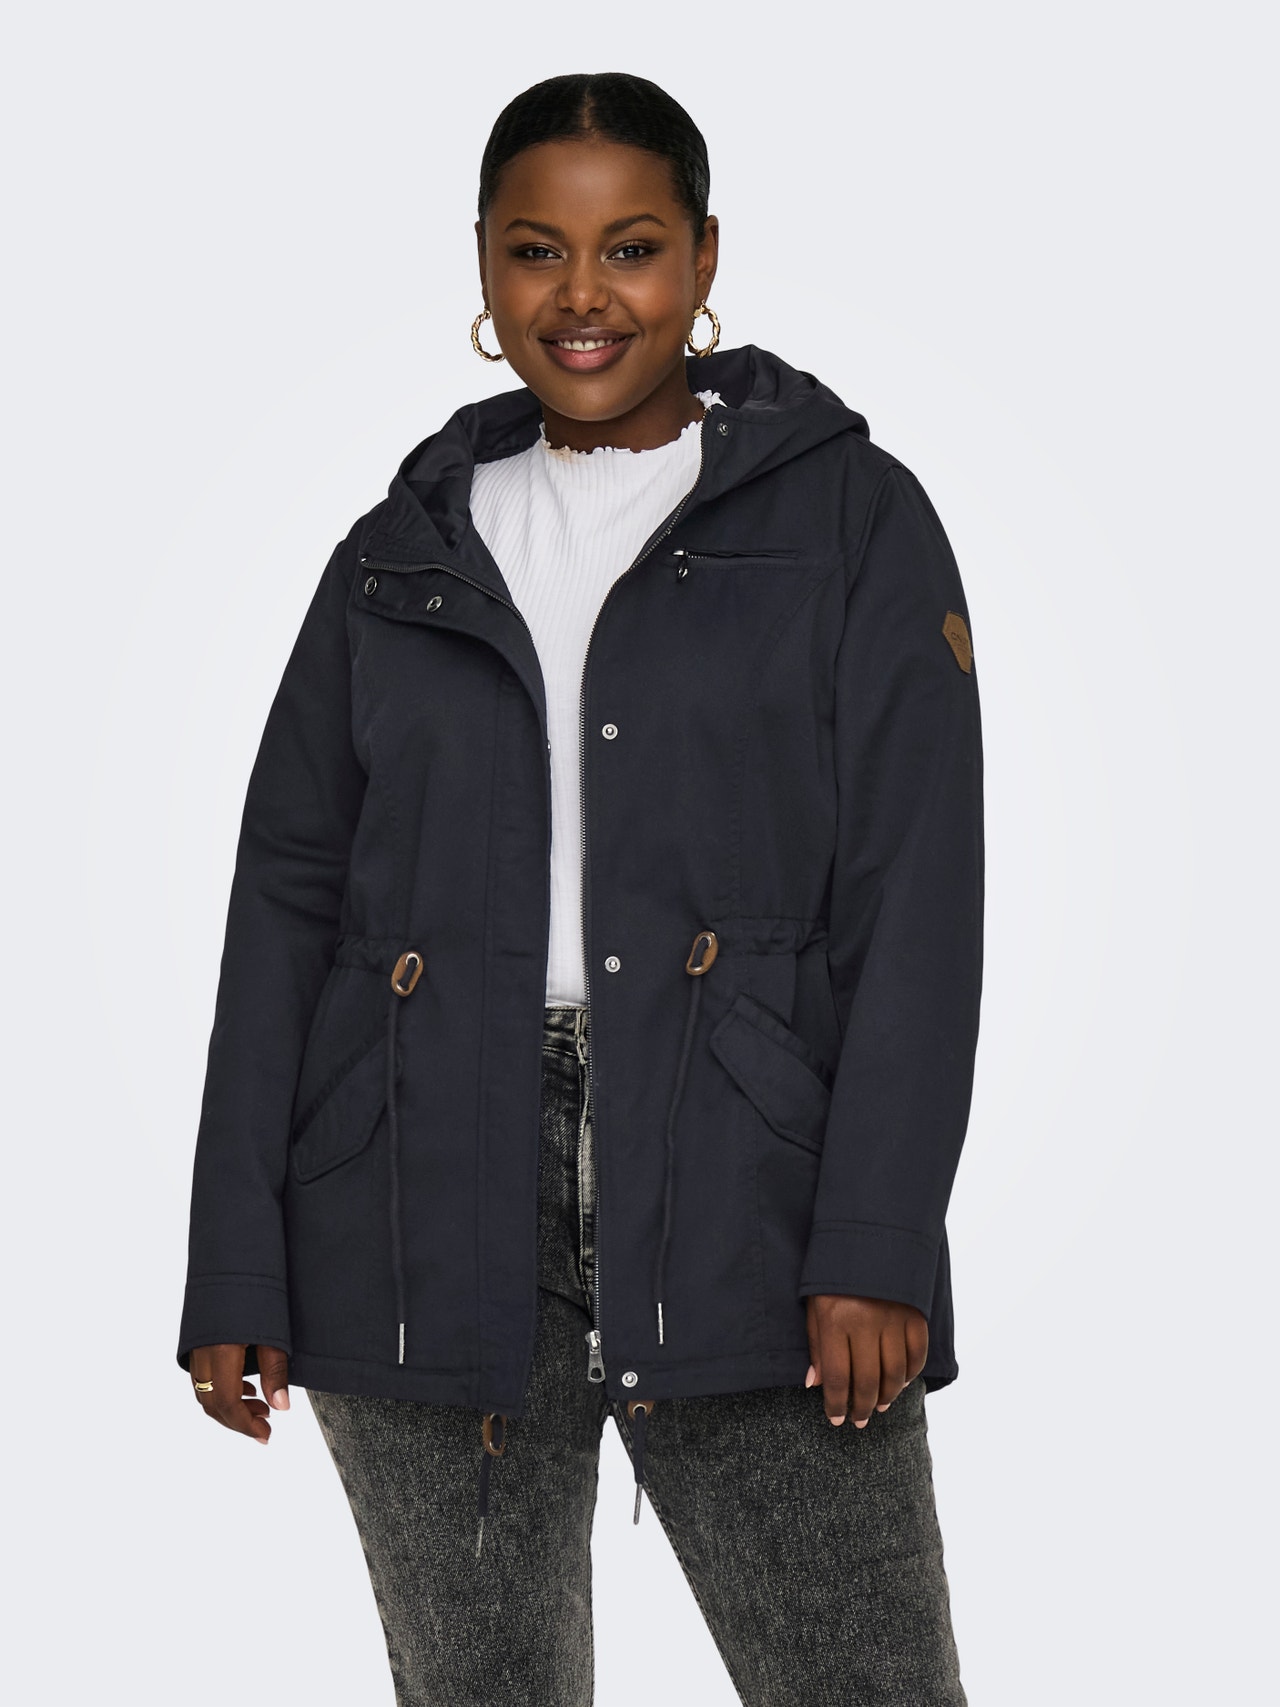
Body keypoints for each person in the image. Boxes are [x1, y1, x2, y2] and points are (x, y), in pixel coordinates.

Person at [176, 70, 984, 1707]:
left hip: (751, 1179)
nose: (583, 296)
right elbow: (287, 901)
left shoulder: (852, 519)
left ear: (703, 256)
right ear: (484, 263)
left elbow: (919, 893)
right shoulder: (397, 552)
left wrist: (877, 1236)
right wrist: (235, 1262)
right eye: (537, 249)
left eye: (632, 248)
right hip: (410, 1190)